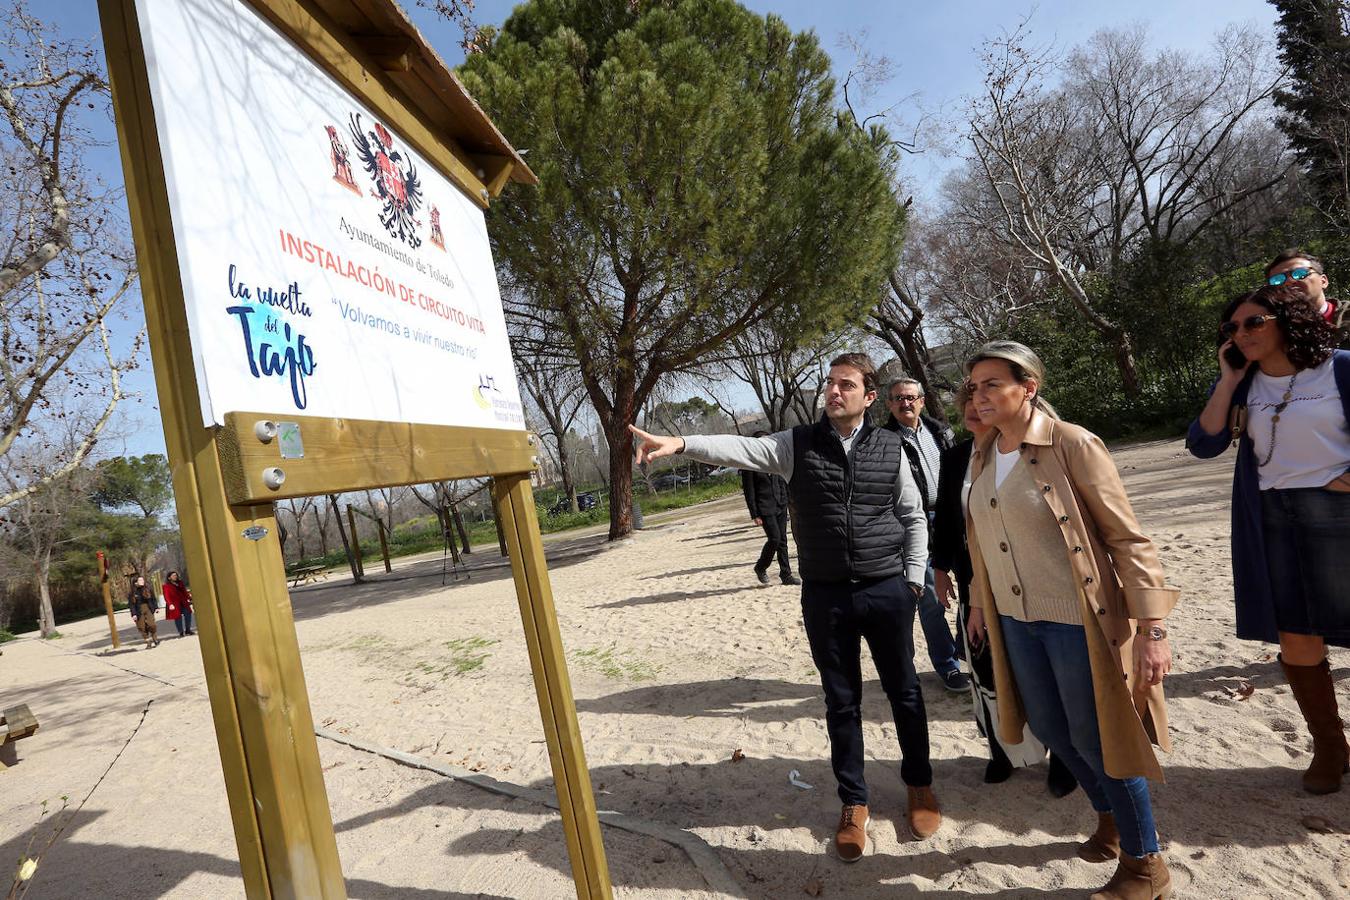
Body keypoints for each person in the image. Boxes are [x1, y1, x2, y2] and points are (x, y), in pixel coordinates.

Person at [629, 353, 939, 862]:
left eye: (845, 385)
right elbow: (742, 448)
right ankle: (853, 803)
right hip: (826, 595)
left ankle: (920, 785)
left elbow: (912, 514)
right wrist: (682, 443)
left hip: (886, 590)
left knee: (905, 692)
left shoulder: (890, 445)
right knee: (841, 702)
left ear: (868, 395)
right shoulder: (796, 444)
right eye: (829, 384)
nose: (833, 392)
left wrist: (911, 580)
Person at [962, 341, 1178, 900]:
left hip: (1077, 620)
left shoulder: (1071, 443)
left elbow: (1127, 538)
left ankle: (1145, 866)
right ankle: (1109, 821)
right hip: (1016, 621)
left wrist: (1153, 629)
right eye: (973, 386)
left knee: (1102, 739)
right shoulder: (984, 451)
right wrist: (980, 604)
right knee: (1054, 732)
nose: (977, 395)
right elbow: (982, 540)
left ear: (1027, 387)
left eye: (991, 384)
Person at [1188, 283, 1350, 795]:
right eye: (1232, 327)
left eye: (1253, 322)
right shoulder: (1246, 382)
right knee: (1296, 633)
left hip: (1340, 513)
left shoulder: (1339, 367)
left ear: (1287, 320)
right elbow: (1204, 443)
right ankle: (1330, 747)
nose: (1242, 332)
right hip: (1272, 518)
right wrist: (1229, 377)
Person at [932, 382, 1078, 795]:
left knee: (1037, 672)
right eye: (969, 406)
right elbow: (946, 519)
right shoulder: (956, 457)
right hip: (975, 583)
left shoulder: (1019, 452)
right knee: (985, 670)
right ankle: (1001, 750)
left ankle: (1063, 758)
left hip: (1033, 582)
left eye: (984, 404)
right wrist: (941, 569)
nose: (976, 412)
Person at [883, 377, 968, 692]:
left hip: (953, 518)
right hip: (914, 525)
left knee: (972, 589)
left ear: (921, 400)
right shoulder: (884, 440)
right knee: (930, 600)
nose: (905, 403)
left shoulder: (942, 431)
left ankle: (963, 646)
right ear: (889, 404)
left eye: (910, 397)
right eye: (898, 399)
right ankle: (948, 666)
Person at [740, 431, 799, 585]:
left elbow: (783, 481)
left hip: (780, 504)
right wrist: (755, 514)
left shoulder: (776, 460)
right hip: (764, 507)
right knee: (774, 539)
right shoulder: (749, 464)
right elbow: (749, 491)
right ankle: (761, 567)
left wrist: (787, 500)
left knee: (783, 541)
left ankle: (786, 575)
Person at [1264, 248, 1346, 342]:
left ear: (1323, 281)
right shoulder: (1269, 332)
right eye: (1277, 280)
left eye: (1300, 274)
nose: (1289, 282)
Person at [128, 575, 159, 649]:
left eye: (143, 580)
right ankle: (148, 642)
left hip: (148, 608)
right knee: (142, 627)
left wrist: (156, 607)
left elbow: (153, 599)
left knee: (151, 624)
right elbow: (131, 605)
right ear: (135, 583)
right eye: (140, 580)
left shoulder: (148, 588)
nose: (142, 581)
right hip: (138, 610)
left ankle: (155, 638)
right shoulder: (132, 593)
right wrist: (134, 614)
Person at [163, 571, 195, 638]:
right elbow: (166, 596)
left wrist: (190, 598)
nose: (175, 576)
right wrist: (170, 604)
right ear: (169, 578)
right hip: (174, 604)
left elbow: (184, 592)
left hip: (183, 602)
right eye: (173, 576)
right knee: (178, 617)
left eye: (176, 575)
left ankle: (188, 630)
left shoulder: (180, 583)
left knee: (188, 613)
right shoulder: (166, 586)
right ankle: (181, 632)